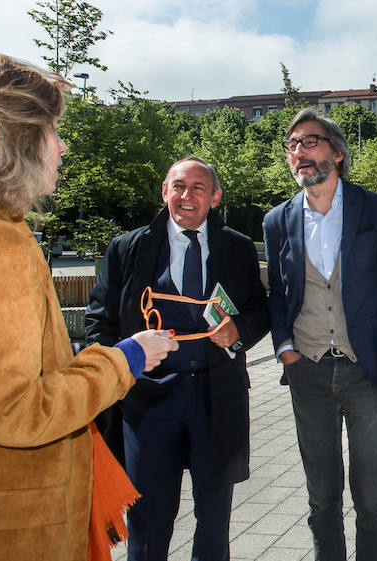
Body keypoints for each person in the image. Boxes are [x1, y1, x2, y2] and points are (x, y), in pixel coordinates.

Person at [0, 50, 178, 559]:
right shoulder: (1, 247)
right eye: (52, 130)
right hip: (15, 526)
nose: (63, 146)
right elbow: (18, 412)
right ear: (12, 140)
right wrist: (127, 358)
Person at [86, 156, 270, 561]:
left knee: (214, 520)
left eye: (199, 188)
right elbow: (99, 321)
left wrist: (239, 330)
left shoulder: (237, 248)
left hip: (216, 396)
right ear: (165, 192)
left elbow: (261, 307)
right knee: (148, 523)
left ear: (215, 197)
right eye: (179, 186)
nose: (188, 196)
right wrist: (122, 365)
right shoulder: (127, 248)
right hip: (147, 403)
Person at [263, 108, 377, 561]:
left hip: (366, 369)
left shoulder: (376, 209)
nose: (298, 153)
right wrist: (285, 348)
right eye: (291, 146)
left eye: (309, 142)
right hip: (307, 373)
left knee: (371, 497)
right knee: (321, 499)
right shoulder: (278, 220)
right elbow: (278, 293)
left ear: (337, 153)